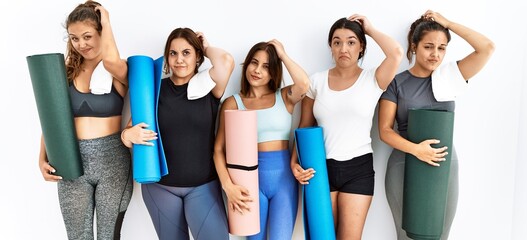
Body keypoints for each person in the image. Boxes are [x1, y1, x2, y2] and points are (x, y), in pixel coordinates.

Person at [378, 10, 495, 240]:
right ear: (414, 46)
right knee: (406, 236)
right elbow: (384, 130)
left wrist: (449, 23)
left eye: (442, 48)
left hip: (445, 165)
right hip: (404, 164)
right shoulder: (397, 83)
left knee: (440, 235)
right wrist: (416, 150)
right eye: (428, 46)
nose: (435, 54)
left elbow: (487, 48)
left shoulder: (451, 76)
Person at [291, 14, 403, 240]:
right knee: (322, 237)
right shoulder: (316, 82)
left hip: (359, 169)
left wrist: (369, 28)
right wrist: (293, 162)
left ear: (361, 47)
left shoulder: (374, 79)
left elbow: (396, 53)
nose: (344, 48)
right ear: (331, 47)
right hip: (321, 168)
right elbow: (304, 125)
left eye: (351, 42)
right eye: (337, 42)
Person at [121, 27, 235, 240]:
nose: (179, 59)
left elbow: (227, 61)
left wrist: (207, 47)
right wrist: (128, 136)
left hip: (203, 186)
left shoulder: (208, 87)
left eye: (186, 52)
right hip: (161, 188)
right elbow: (129, 130)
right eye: (173, 53)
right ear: (167, 57)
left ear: (197, 56)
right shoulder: (155, 90)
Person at [37, 1, 133, 239]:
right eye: (74, 38)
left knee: (108, 236)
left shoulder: (118, 69)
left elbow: (110, 61)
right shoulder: (66, 71)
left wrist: (107, 20)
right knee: (78, 236)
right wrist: (42, 159)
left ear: (102, 32)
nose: (81, 44)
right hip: (70, 159)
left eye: (88, 36)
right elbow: (53, 117)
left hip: (112, 161)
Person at [214, 40, 309, 240]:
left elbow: (304, 84)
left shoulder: (284, 97)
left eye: (266, 66)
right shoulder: (232, 103)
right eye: (254, 63)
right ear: (247, 64)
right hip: (248, 182)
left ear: (274, 72)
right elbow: (218, 150)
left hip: (284, 180)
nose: (257, 70)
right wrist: (228, 186)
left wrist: (282, 54)